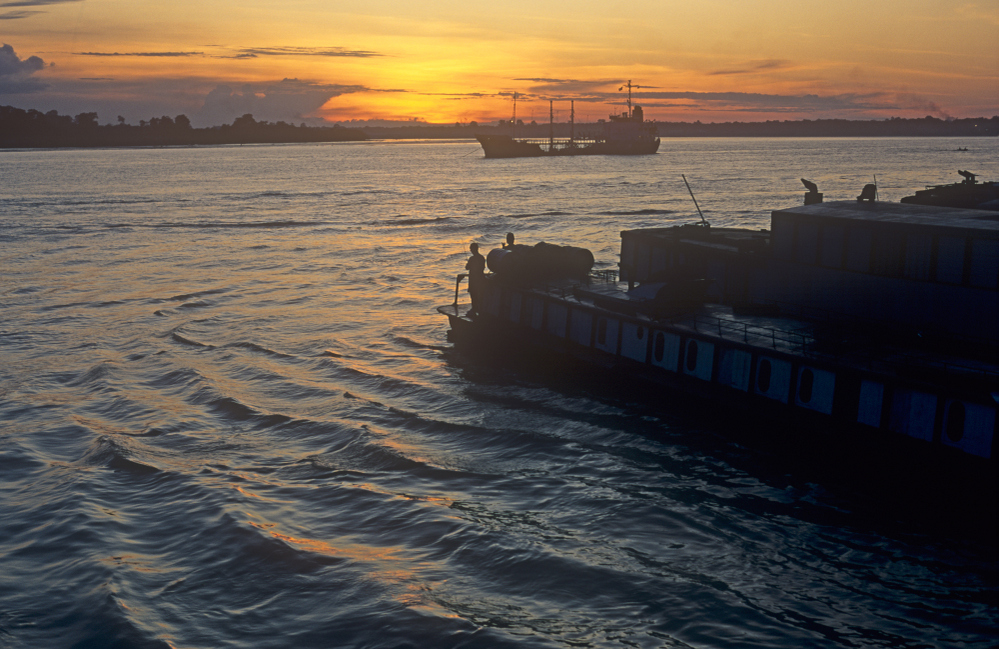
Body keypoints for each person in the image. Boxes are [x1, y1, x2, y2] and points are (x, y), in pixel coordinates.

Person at [465, 242, 485, 316]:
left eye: (471, 249)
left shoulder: (472, 258)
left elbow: (467, 268)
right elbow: (483, 268)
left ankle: (474, 310)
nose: (470, 250)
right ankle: (480, 310)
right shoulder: (482, 257)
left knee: (473, 295)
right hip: (481, 279)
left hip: (473, 280)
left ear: (473, 249)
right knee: (479, 295)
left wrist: (468, 264)